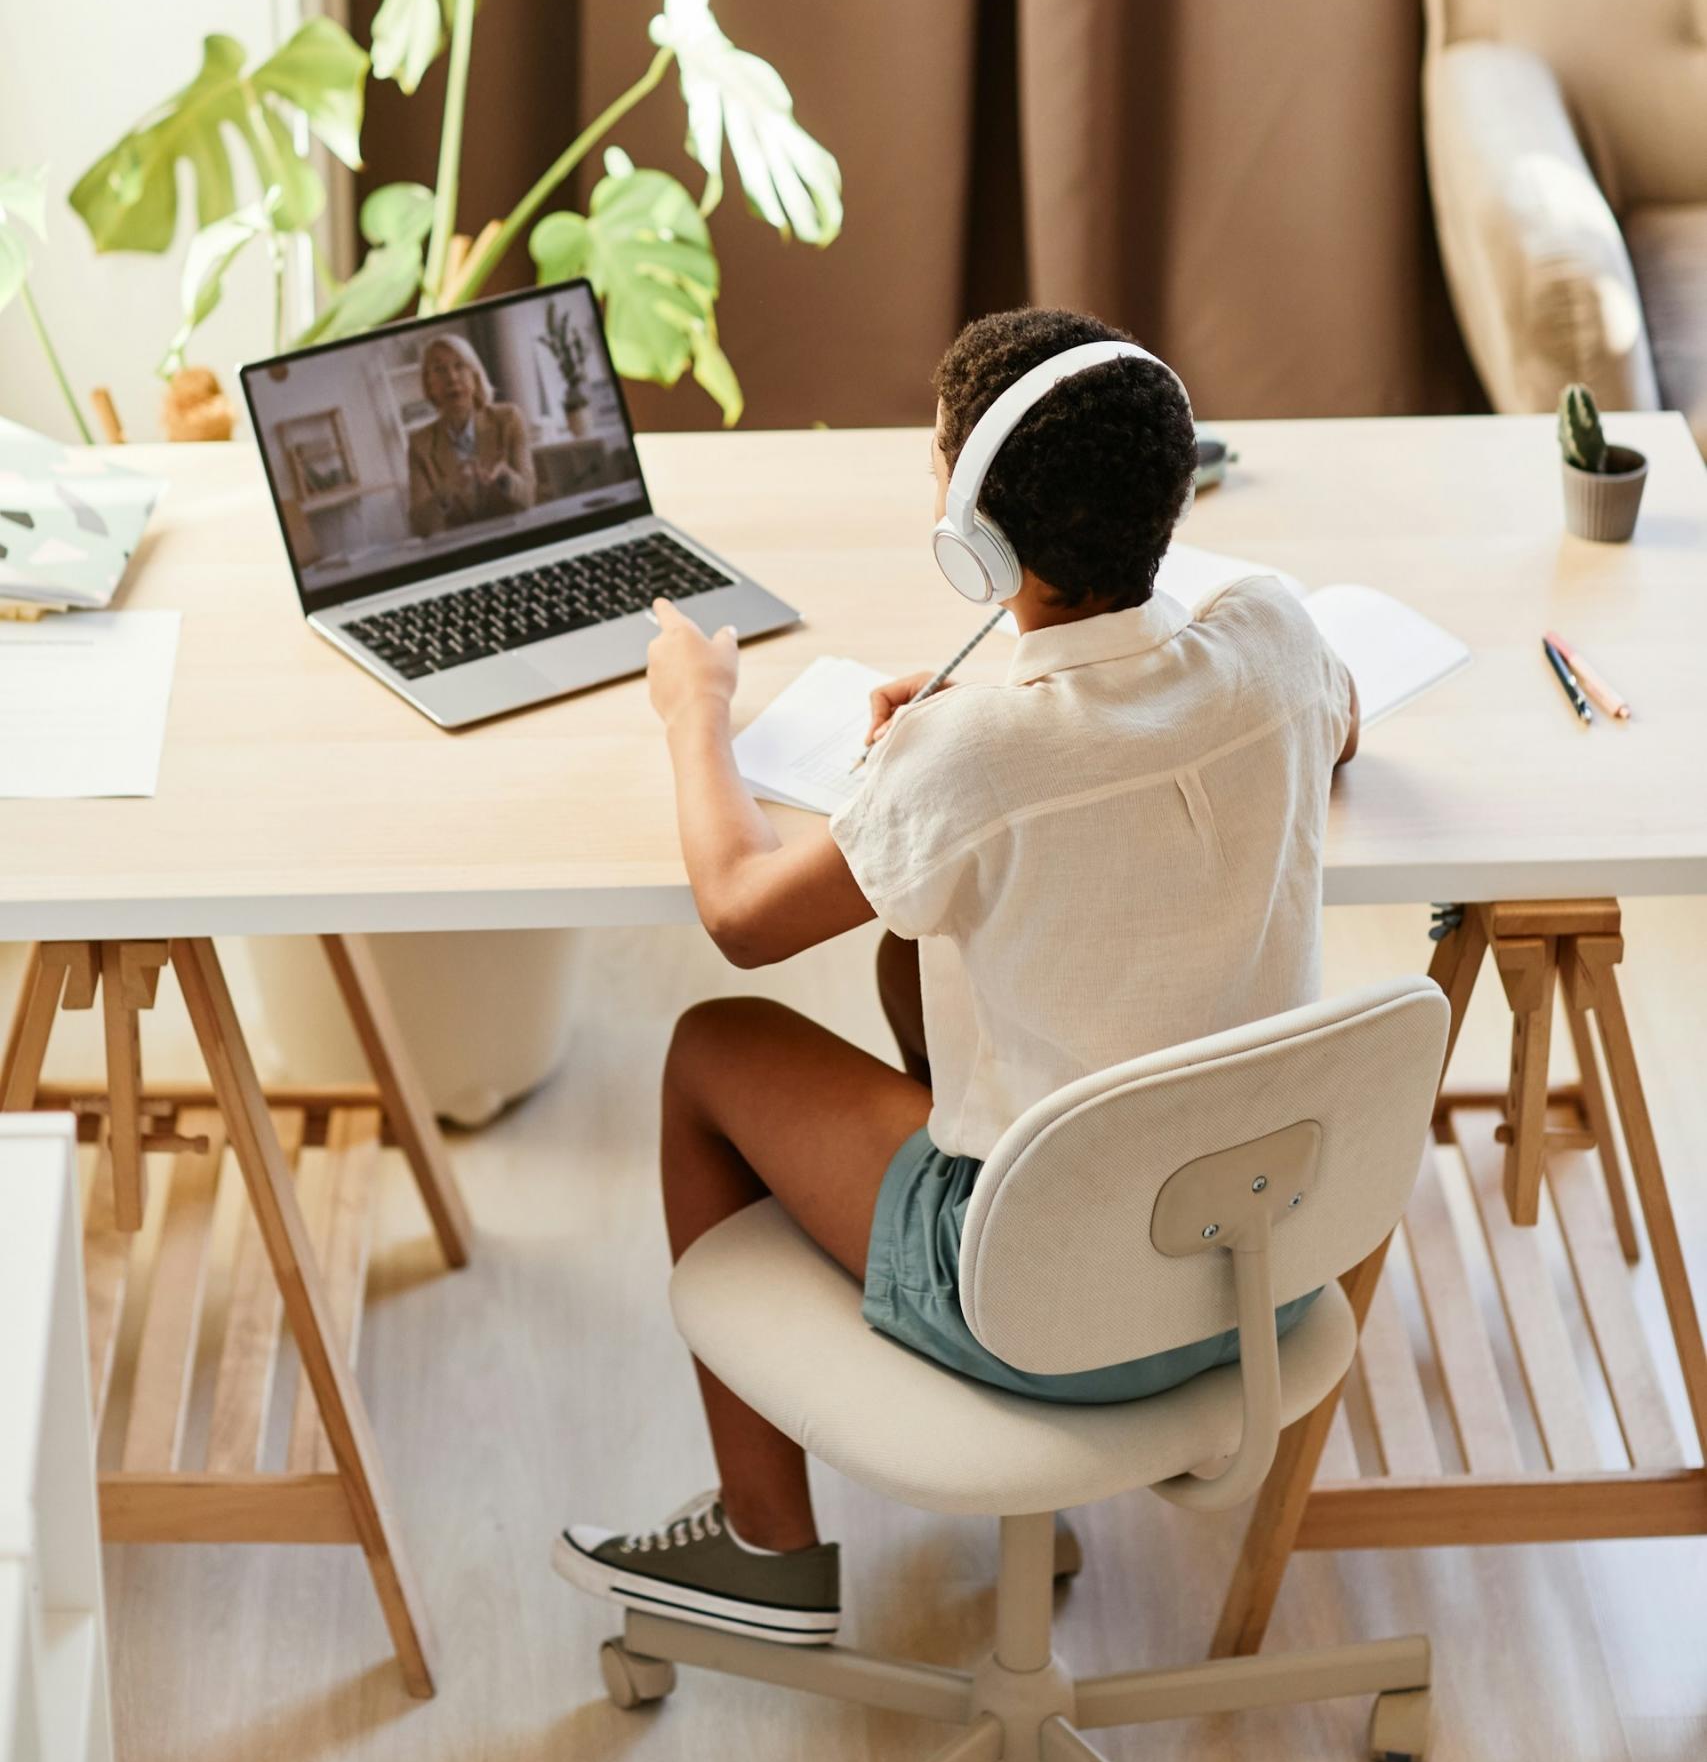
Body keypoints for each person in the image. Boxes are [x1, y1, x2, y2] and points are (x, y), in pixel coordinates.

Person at [554, 306, 1359, 1648]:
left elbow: (742, 918)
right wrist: (1003, 712)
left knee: (710, 1045)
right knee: (904, 960)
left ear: (970, 528)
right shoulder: (1270, 633)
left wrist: (692, 711)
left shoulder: (970, 760)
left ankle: (763, 1547)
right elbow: (1332, 733)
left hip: (1035, 1302)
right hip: (1255, 1268)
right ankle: (1079, 1468)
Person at [405, 332, 536, 536]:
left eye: (460, 366)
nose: (452, 378)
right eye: (439, 370)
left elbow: (528, 498)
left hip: (514, 539)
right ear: (429, 386)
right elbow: (420, 527)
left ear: (475, 376)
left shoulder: (509, 419)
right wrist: (446, 490)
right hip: (461, 553)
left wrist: (504, 476)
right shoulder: (419, 444)